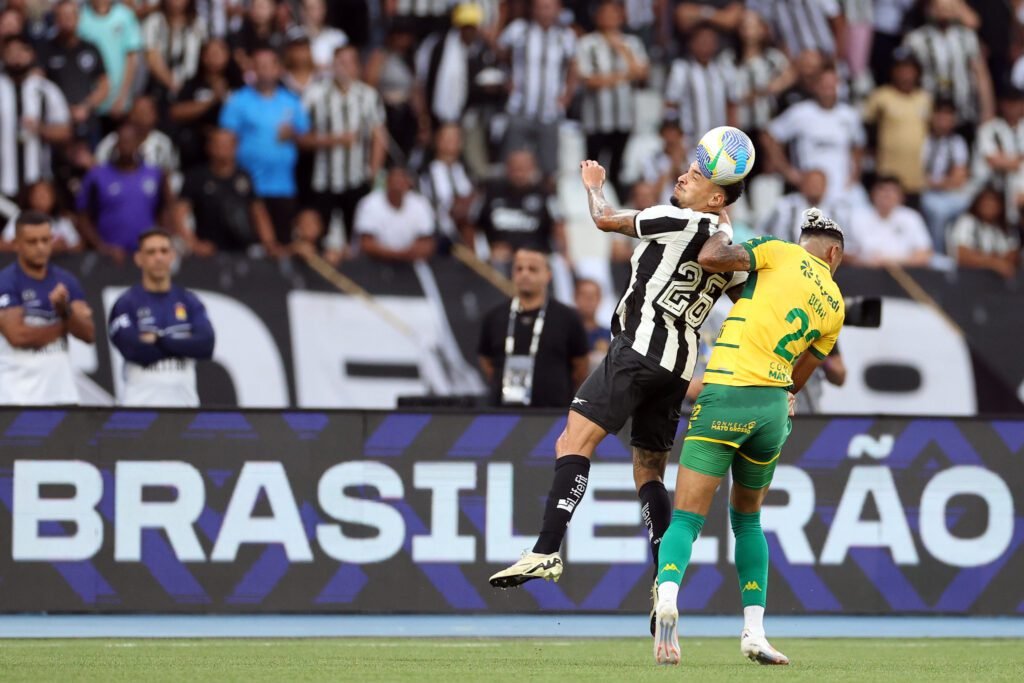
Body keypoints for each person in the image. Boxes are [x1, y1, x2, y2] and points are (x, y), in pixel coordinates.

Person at [487, 157, 748, 633]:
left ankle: (546, 550)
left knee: (572, 442)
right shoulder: (726, 251)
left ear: (714, 197)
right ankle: (663, 581)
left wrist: (593, 185)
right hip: (678, 367)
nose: (683, 175)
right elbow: (746, 302)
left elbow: (605, 219)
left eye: (696, 175)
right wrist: (727, 225)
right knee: (649, 471)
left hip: (637, 350)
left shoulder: (677, 220)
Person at [652, 207, 846, 666]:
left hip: (726, 393)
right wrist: (781, 393)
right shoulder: (836, 304)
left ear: (804, 242)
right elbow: (801, 378)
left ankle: (668, 596)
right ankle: (754, 631)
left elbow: (712, 259)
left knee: (686, 519)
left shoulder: (776, 250)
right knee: (748, 521)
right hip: (772, 409)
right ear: (834, 254)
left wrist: (722, 228)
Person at [109, 229, 215, 407]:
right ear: (138, 258)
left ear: (172, 256)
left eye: (164, 251)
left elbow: (206, 345)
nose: (158, 258)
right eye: (151, 252)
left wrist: (158, 340)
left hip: (185, 406)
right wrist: (184, 345)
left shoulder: (189, 301)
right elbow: (132, 349)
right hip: (139, 407)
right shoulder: (126, 303)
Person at [0, 211, 96, 405]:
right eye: (32, 241)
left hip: (61, 394)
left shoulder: (66, 280)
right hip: (16, 395)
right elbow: (17, 336)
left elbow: (88, 334)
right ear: (17, 244)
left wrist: (65, 310)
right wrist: (64, 324)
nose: (41, 247)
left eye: (46, 240)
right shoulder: (6, 281)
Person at [219, 47, 311, 245]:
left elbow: (306, 138)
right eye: (260, 66)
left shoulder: (291, 101)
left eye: (270, 65)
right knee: (249, 242)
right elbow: (225, 140)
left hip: (283, 186)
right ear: (252, 69)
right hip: (246, 185)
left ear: (279, 69)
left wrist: (294, 135)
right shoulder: (238, 101)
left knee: (282, 241)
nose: (265, 70)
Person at [477, 247, 589, 409]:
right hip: (503, 413)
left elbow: (580, 366)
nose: (525, 274)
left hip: (553, 413)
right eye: (519, 269)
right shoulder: (494, 317)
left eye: (533, 269)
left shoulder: (567, 317)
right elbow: (486, 362)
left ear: (548, 275)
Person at [300, 45, 386, 244]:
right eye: (340, 62)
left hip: (357, 179)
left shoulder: (368, 96)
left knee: (356, 237)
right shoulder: (315, 94)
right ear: (333, 65)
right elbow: (300, 137)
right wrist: (335, 140)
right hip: (323, 179)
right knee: (320, 236)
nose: (345, 68)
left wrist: (374, 172)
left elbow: (379, 137)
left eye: (349, 62)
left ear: (357, 66)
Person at [498, 0, 577, 184]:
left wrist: (567, 95)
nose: (544, 12)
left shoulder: (566, 35)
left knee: (549, 167)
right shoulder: (518, 29)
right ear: (533, 9)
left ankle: (545, 199)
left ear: (558, 9)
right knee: (513, 161)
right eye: (540, 7)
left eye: (549, 7)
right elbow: (499, 51)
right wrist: (506, 77)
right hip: (519, 107)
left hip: (550, 110)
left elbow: (574, 66)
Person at [576, 0, 648, 200]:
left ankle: (615, 204)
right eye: (605, 13)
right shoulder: (587, 43)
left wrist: (622, 51)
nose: (610, 17)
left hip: (624, 117)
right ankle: (590, 202)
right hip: (596, 118)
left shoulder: (632, 43)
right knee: (592, 165)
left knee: (617, 167)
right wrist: (624, 76)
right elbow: (589, 80)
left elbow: (642, 74)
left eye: (614, 13)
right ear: (597, 17)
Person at [764, 66, 865, 205]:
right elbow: (769, 136)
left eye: (832, 86)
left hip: (842, 193)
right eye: (824, 86)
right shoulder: (800, 112)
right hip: (810, 194)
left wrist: (855, 175)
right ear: (815, 87)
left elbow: (858, 145)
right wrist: (787, 171)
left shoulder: (849, 115)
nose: (828, 91)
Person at [176, 128, 281, 257]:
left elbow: (258, 212)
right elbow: (180, 213)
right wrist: (193, 243)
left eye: (227, 145)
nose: (222, 149)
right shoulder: (196, 177)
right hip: (208, 252)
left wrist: (269, 243)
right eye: (218, 144)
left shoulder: (244, 177)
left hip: (242, 251)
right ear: (208, 147)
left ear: (235, 147)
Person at [77, 122, 173, 261]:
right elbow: (82, 215)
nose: (126, 146)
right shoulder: (97, 176)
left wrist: (162, 241)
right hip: (110, 257)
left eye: (131, 141)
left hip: (146, 256)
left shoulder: (155, 174)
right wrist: (100, 246)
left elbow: (166, 210)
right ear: (116, 145)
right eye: (123, 141)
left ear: (139, 144)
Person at [0, 35, 72, 203]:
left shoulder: (45, 89)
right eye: (10, 51)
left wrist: (41, 129)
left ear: (31, 54)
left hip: (37, 183)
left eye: (21, 51)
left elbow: (65, 132)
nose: (16, 56)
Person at [902, 0, 994, 129]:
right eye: (939, 7)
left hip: (963, 112)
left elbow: (981, 76)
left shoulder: (967, 37)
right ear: (929, 9)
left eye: (949, 7)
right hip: (927, 112)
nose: (944, 12)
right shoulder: (916, 40)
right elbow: (905, 76)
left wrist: (988, 112)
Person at [862, 50, 932, 202]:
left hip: (916, 177)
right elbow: (866, 129)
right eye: (901, 70)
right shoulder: (880, 97)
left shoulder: (925, 99)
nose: (906, 75)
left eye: (910, 70)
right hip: (887, 174)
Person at [473, 149, 565, 264]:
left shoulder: (546, 194)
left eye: (523, 168)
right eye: (515, 168)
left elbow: (558, 226)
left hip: (536, 257)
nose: (519, 173)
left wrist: (564, 255)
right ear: (507, 168)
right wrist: (481, 253)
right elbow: (472, 224)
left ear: (533, 168)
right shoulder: (491, 193)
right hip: (499, 258)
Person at [40, 0, 110, 144]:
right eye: (62, 16)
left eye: (70, 15)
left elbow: (104, 84)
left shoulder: (90, 48)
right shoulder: (46, 50)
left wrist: (86, 107)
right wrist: (61, 109)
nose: (67, 20)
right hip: (56, 124)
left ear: (78, 18)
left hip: (87, 121)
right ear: (55, 19)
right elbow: (38, 84)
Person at [664, 23, 735, 142]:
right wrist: (674, 139)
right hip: (690, 141)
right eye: (702, 40)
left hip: (719, 142)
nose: (706, 45)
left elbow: (731, 105)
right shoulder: (681, 69)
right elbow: (671, 104)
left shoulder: (724, 69)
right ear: (692, 43)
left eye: (710, 41)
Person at [353, 165, 436, 263]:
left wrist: (404, 255)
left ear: (408, 183)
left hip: (410, 261)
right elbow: (366, 243)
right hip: (375, 261)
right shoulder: (369, 203)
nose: (397, 186)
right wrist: (397, 255)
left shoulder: (420, 203)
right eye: (395, 181)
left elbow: (427, 244)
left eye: (401, 181)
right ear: (387, 182)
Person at [845, 176, 933, 268]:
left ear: (901, 197)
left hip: (904, 270)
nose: (887, 195)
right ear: (872, 194)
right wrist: (865, 262)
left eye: (892, 191)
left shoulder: (911, 217)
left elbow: (925, 254)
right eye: (882, 190)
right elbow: (844, 253)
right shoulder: (856, 217)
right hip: (865, 270)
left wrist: (892, 262)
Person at [78, 0, 143, 121]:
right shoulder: (79, 15)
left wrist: (123, 96)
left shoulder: (125, 15)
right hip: (86, 105)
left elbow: (132, 59)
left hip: (118, 103)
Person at [921, 98, 972, 251]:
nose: (943, 120)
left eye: (948, 116)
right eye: (940, 115)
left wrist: (936, 182)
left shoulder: (958, 142)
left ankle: (957, 250)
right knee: (938, 211)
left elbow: (959, 177)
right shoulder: (923, 139)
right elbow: (916, 174)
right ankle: (937, 251)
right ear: (932, 117)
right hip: (926, 192)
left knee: (968, 204)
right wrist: (929, 182)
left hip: (951, 192)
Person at [419, 124, 475, 245]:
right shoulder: (426, 173)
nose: (452, 141)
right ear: (436, 140)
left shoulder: (467, 172)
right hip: (437, 235)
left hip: (466, 234)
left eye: (456, 137)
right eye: (447, 137)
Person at [947, 186, 1020, 279]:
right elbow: (961, 254)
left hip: (997, 282)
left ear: (1001, 206)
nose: (989, 205)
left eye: (994, 202)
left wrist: (982, 257)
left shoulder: (1005, 227)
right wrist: (994, 263)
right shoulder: (967, 221)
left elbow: (1012, 256)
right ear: (978, 203)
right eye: (986, 201)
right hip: (969, 279)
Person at [95, 96, 179, 175]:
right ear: (131, 115)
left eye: (150, 112)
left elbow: (171, 172)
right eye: (142, 112)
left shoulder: (163, 143)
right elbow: (99, 170)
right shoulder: (112, 141)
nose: (147, 116)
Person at [1, 181, 82, 255]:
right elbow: (3, 244)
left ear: (54, 197)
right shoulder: (20, 218)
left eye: (45, 194)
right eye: (37, 194)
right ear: (30, 197)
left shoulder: (62, 221)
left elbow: (78, 246)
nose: (41, 198)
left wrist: (63, 248)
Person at [573, 277, 610, 370]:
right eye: (584, 295)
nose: (589, 300)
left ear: (600, 299)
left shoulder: (610, 335)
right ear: (575, 298)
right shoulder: (567, 334)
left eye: (593, 295)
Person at [301, 0, 348, 72]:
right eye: (311, 8)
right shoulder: (295, 37)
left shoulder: (338, 37)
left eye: (319, 7)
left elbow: (347, 66)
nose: (317, 12)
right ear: (303, 11)